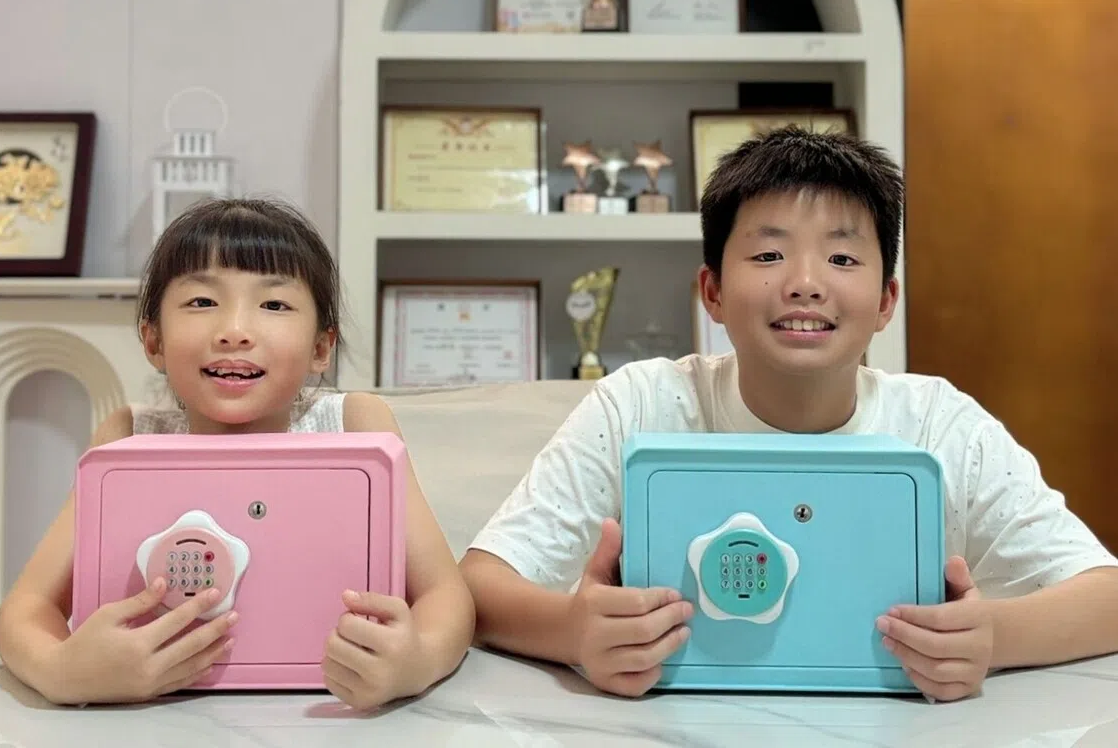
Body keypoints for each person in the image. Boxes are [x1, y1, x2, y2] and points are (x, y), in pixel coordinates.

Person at [460, 126, 1118, 703]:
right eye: (769, 254)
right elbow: (480, 585)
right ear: (712, 291)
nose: (806, 281)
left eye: (842, 257)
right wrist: (575, 631)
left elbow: (1106, 597)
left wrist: (991, 637)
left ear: (887, 300)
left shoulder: (940, 425)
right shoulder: (640, 405)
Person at [0, 197, 475, 709]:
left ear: (321, 348)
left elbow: (447, 597)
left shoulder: (356, 426)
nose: (234, 331)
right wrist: (61, 672)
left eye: (274, 305)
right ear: (152, 340)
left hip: (325, 714)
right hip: (153, 718)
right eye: (202, 302)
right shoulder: (128, 438)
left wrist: (416, 661)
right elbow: (25, 609)